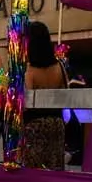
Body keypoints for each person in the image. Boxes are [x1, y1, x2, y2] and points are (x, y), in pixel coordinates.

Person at [21, 21, 68, 170]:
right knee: (55, 167)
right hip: (56, 122)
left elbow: (26, 102)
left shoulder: (29, 69)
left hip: (35, 125)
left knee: (34, 170)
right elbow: (65, 91)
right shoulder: (59, 66)